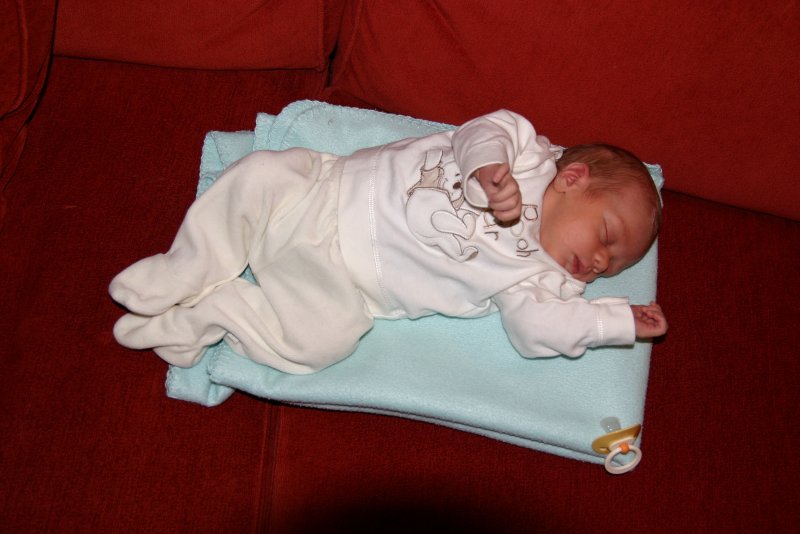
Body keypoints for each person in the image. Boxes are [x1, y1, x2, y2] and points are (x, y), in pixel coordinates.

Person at [110, 110, 667, 374]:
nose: (599, 262)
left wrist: (613, 322)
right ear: (573, 179)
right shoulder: (524, 154)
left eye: (611, 266)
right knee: (260, 174)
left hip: (342, 280)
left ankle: (210, 314)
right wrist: (486, 169)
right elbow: (481, 131)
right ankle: (186, 268)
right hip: (326, 188)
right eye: (606, 237)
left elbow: (535, 332)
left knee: (321, 342)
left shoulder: (540, 279)